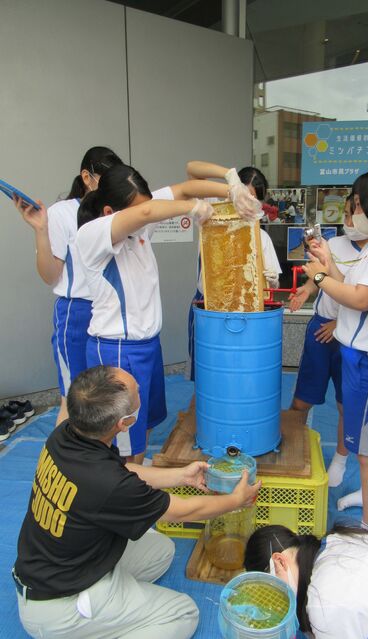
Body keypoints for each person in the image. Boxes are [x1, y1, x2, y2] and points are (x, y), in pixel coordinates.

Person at [13, 365, 260, 639]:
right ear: (124, 423)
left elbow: (122, 471)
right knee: (183, 614)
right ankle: (93, 618)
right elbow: (181, 511)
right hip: (61, 605)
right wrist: (237, 499)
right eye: (137, 391)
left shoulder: (66, 434)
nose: (141, 389)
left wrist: (180, 475)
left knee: (161, 550)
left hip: (59, 566)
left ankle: (112, 602)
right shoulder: (107, 485)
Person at [76, 163, 242, 464]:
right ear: (110, 211)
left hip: (148, 346)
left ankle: (136, 474)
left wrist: (233, 189)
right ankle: (129, 486)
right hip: (117, 349)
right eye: (140, 208)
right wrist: (193, 208)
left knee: (145, 423)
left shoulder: (137, 229)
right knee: (125, 439)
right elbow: (147, 212)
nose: (148, 211)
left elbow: (185, 187)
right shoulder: (93, 235)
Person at [302, 168, 368, 531]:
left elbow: (360, 299)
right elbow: (350, 286)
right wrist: (327, 268)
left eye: (359, 204)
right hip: (360, 354)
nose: (353, 212)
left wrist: (318, 277)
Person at [12, 147, 124, 426]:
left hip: (110, 312)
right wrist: (40, 230)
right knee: (74, 396)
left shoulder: (116, 213)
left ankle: (103, 461)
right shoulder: (63, 213)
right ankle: (67, 465)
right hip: (77, 312)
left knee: (106, 395)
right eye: (106, 179)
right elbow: (51, 276)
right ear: (87, 177)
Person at [289, 195, 368, 488]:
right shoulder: (333, 245)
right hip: (321, 329)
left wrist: (341, 323)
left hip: (352, 334)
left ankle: (339, 459)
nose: (349, 221)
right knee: (302, 398)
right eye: (346, 215)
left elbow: (363, 298)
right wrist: (306, 290)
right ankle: (295, 443)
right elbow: (320, 278)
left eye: (354, 215)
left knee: (345, 405)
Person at [185, 162, 282, 380]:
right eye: (242, 195)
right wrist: (229, 179)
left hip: (248, 314)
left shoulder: (262, 237)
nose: (245, 202)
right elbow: (192, 170)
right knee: (207, 373)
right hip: (208, 309)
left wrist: (272, 283)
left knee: (239, 374)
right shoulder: (211, 217)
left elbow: (270, 288)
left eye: (252, 198)